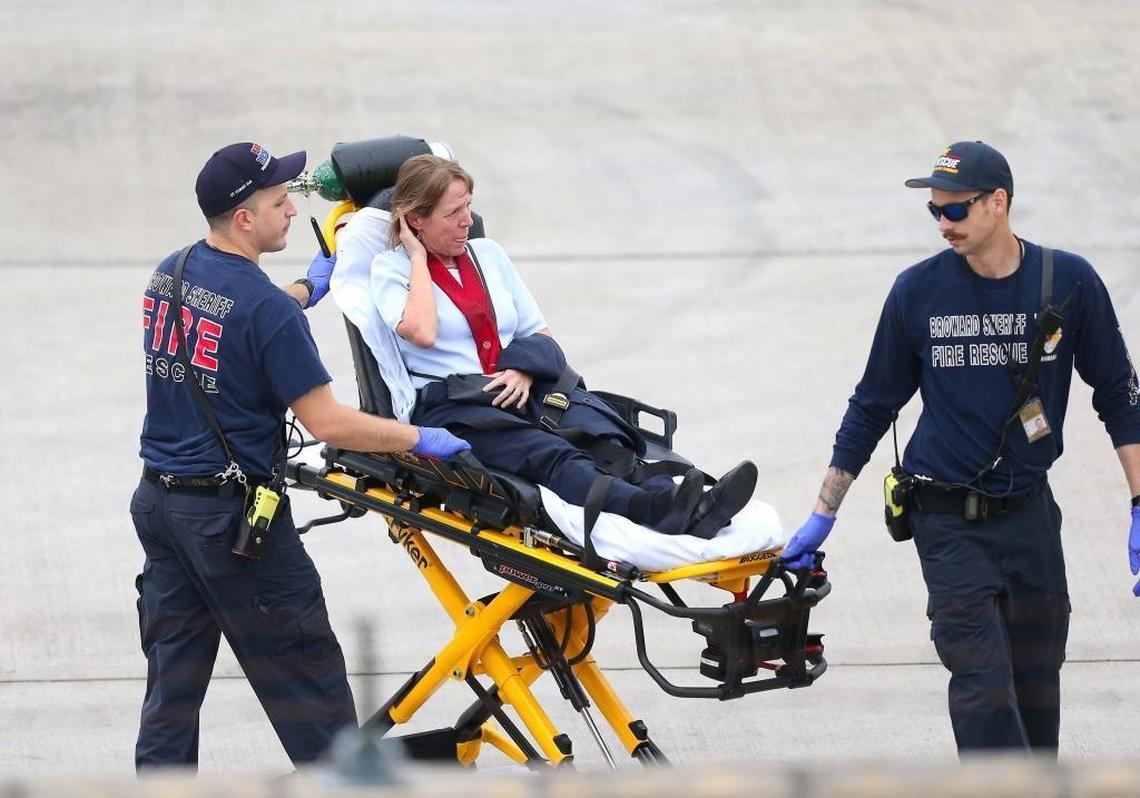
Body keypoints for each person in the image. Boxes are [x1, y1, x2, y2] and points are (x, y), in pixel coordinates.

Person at [780, 140, 1140, 754]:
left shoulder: (1069, 281)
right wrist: (824, 511)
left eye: (956, 211)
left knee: (1036, 687)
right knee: (982, 688)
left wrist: (1139, 503)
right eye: (934, 212)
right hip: (946, 518)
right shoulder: (916, 292)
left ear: (998, 203)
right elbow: (873, 404)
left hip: (1029, 514)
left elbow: (1120, 396)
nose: (942, 224)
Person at [131, 142, 470, 769]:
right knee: (313, 700)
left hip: (161, 508)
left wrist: (307, 287)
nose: (293, 210)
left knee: (171, 696)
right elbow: (329, 423)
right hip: (234, 530)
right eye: (279, 201)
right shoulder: (264, 312)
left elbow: (232, 318)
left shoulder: (171, 272)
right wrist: (419, 438)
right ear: (244, 219)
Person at [369, 154, 758, 539]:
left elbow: (540, 333)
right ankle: (655, 511)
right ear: (415, 219)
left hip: (518, 384)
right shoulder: (392, 269)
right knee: (552, 455)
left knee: (603, 438)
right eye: (453, 212)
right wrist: (418, 258)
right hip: (457, 408)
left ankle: (696, 507)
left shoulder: (488, 255)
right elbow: (421, 332)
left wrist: (523, 368)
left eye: (469, 206)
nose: (468, 220)